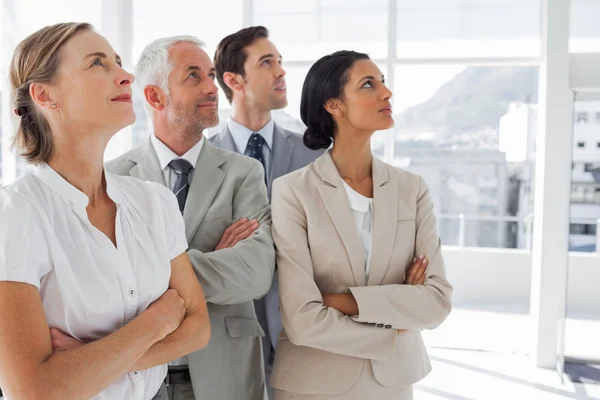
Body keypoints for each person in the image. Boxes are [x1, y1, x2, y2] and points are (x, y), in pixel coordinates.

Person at [0, 23, 210, 400]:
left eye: (118, 61)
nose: (126, 76)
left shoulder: (153, 202)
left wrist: (91, 361)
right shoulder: (14, 215)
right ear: (45, 95)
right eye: (98, 63)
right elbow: (31, 389)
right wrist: (157, 322)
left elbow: (197, 328)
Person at [269, 50, 453, 400]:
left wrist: (340, 302)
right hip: (312, 383)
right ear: (334, 105)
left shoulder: (411, 189)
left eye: (383, 82)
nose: (387, 93)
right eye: (368, 84)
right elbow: (300, 318)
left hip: (393, 383)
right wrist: (396, 315)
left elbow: (436, 301)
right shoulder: (292, 191)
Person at [106, 35, 275, 400]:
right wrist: (213, 259)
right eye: (193, 76)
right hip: (137, 376)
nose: (212, 88)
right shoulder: (113, 177)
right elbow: (106, 281)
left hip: (225, 374)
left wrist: (149, 274)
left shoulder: (244, 173)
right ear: (155, 97)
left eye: (211, 76)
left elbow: (255, 273)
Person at [211, 27, 323, 397]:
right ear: (233, 80)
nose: (281, 72)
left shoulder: (316, 155)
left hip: (301, 327)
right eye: (266, 62)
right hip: (226, 325)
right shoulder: (202, 160)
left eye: (280, 62)